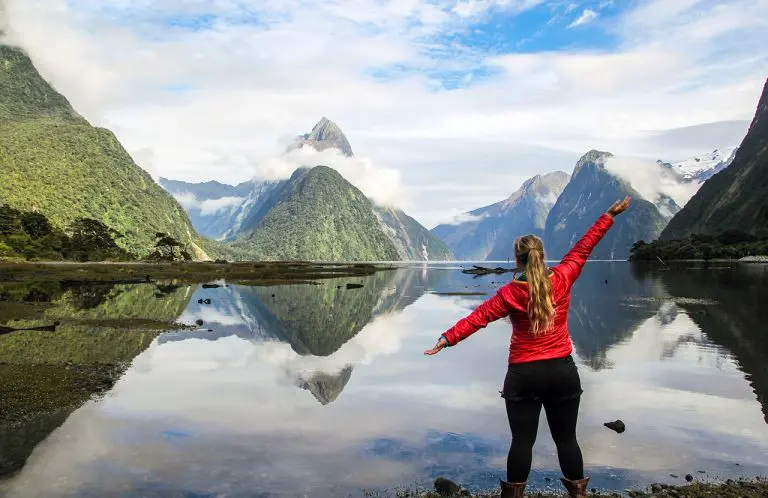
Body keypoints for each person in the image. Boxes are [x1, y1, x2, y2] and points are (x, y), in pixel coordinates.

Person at [424, 197, 632, 498]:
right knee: (566, 440)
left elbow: (477, 318)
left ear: (517, 259)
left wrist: (446, 339)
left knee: (522, 442)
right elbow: (585, 246)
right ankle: (578, 494)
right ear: (543, 256)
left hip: (523, 374)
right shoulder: (563, 277)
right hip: (562, 371)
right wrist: (609, 215)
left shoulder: (509, 293)